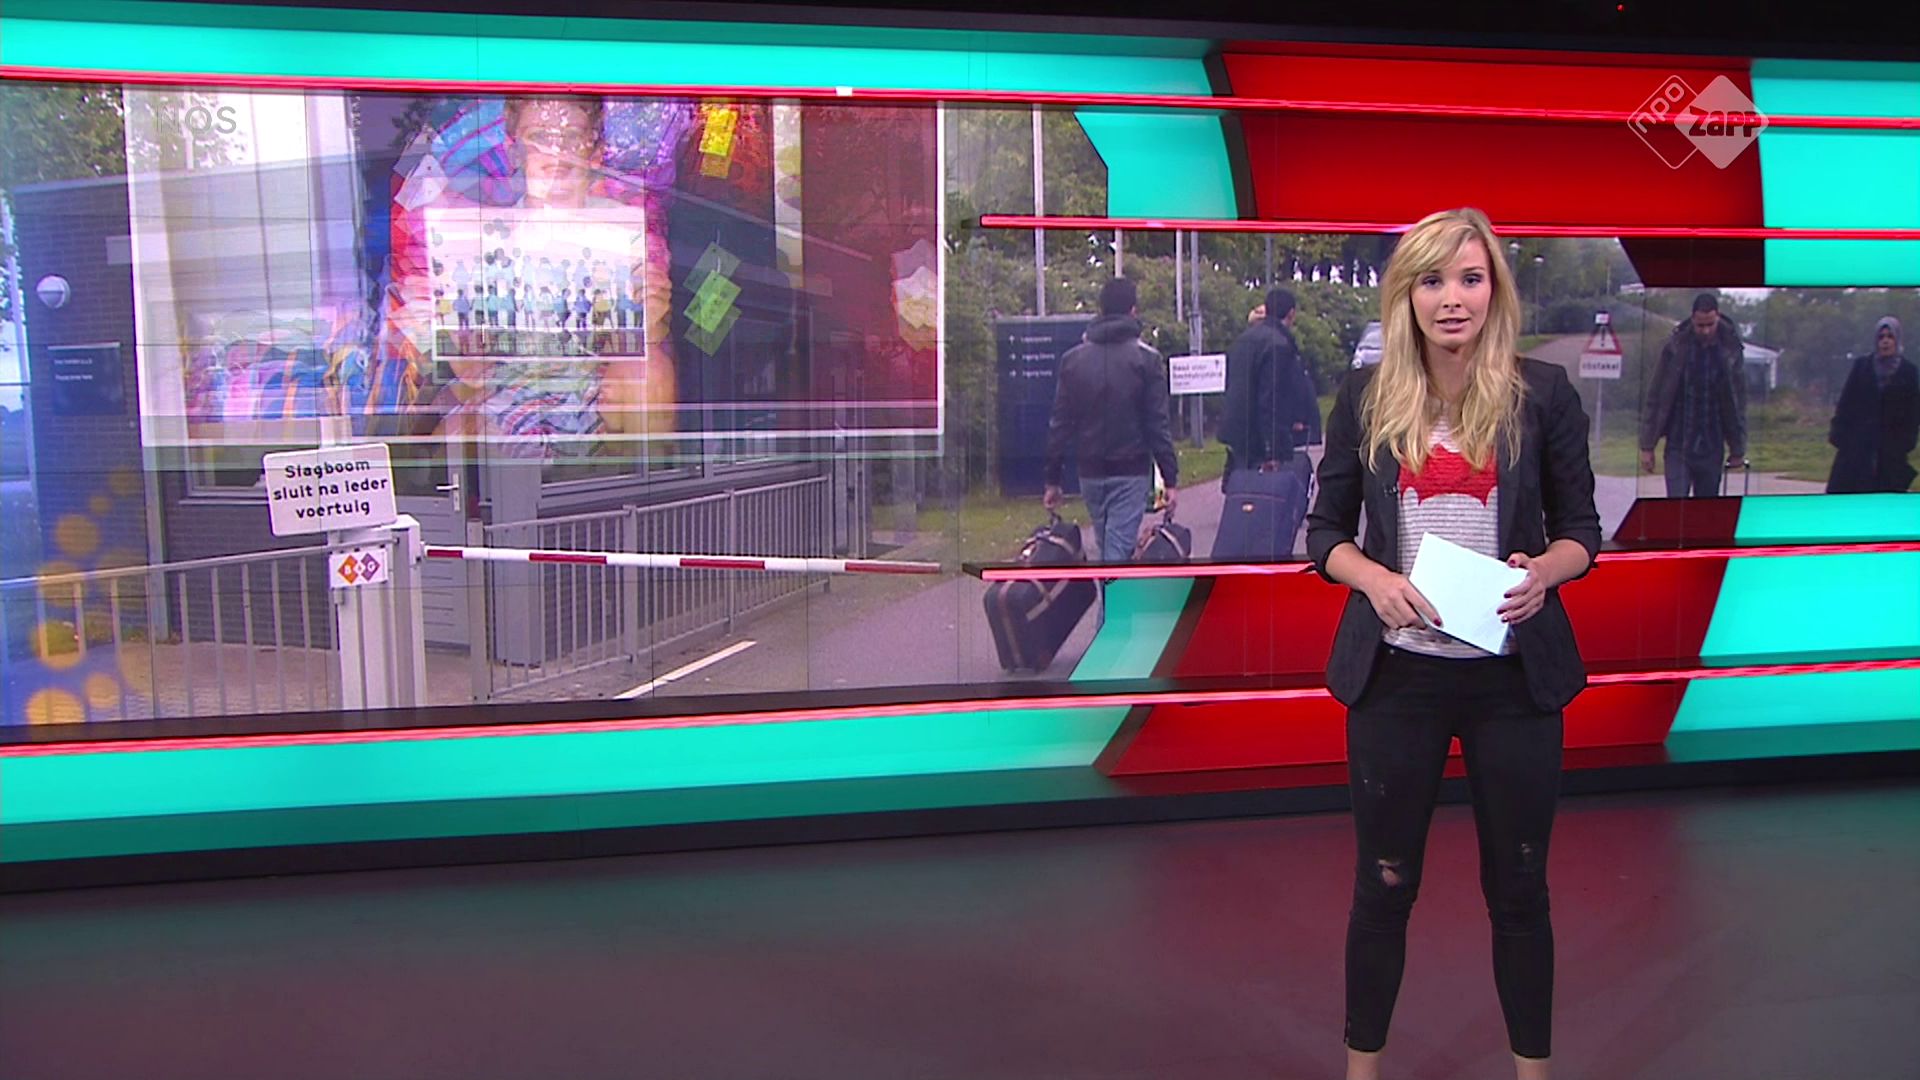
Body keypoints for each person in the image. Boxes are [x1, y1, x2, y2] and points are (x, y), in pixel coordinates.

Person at [1304, 208, 1600, 1080]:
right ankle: (1361, 1071)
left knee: (1520, 887)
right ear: (1407, 294)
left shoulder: (1544, 394)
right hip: (1398, 680)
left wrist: (1546, 570)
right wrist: (1373, 579)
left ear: (1494, 290)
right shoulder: (1367, 398)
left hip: (1513, 682)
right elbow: (1324, 534)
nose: (1452, 298)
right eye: (1432, 281)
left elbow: (1583, 531)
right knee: (1385, 881)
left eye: (1470, 279)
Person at [1043, 277, 1180, 562]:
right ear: (1133, 310)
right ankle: (1112, 594)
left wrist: (1052, 479)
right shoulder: (1147, 360)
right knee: (1116, 555)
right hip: (1130, 471)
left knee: (1108, 547)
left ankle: (1110, 591)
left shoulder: (1073, 360)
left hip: (1089, 472)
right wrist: (1170, 478)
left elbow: (1060, 425)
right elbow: (1157, 424)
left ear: (1101, 310)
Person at [1638, 292, 1747, 496]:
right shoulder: (1676, 347)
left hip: (1712, 445)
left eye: (1710, 324)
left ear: (1718, 317)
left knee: (1704, 510)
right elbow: (1656, 395)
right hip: (1678, 445)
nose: (1705, 331)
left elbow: (1737, 402)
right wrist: (1647, 446)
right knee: (1676, 506)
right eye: (1700, 325)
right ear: (1692, 319)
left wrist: (1737, 448)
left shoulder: (1730, 349)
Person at [1220, 286, 1320, 480]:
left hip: (1237, 431)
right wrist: (1273, 449)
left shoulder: (1243, 340)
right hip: (1259, 438)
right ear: (1291, 313)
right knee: (1264, 491)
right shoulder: (1278, 345)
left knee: (1241, 487)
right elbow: (1271, 399)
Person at [1826, 315, 1919, 493]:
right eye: (1881, 337)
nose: (1885, 341)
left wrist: (1906, 444)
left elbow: (1913, 414)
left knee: (1884, 501)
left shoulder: (1908, 372)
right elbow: (1846, 404)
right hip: (1856, 449)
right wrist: (1840, 436)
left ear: (1897, 340)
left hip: (1891, 453)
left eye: (1890, 337)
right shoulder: (1862, 366)